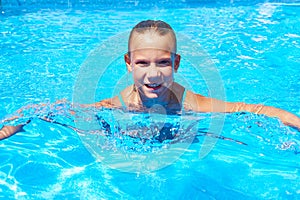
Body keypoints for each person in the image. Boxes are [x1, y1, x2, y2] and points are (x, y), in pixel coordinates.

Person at [1, 20, 299, 140]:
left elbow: (255, 109)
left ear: (177, 64)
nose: (153, 74)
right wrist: (11, 126)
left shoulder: (190, 103)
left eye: (163, 63)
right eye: (142, 63)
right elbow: (48, 110)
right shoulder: (116, 104)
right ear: (129, 64)